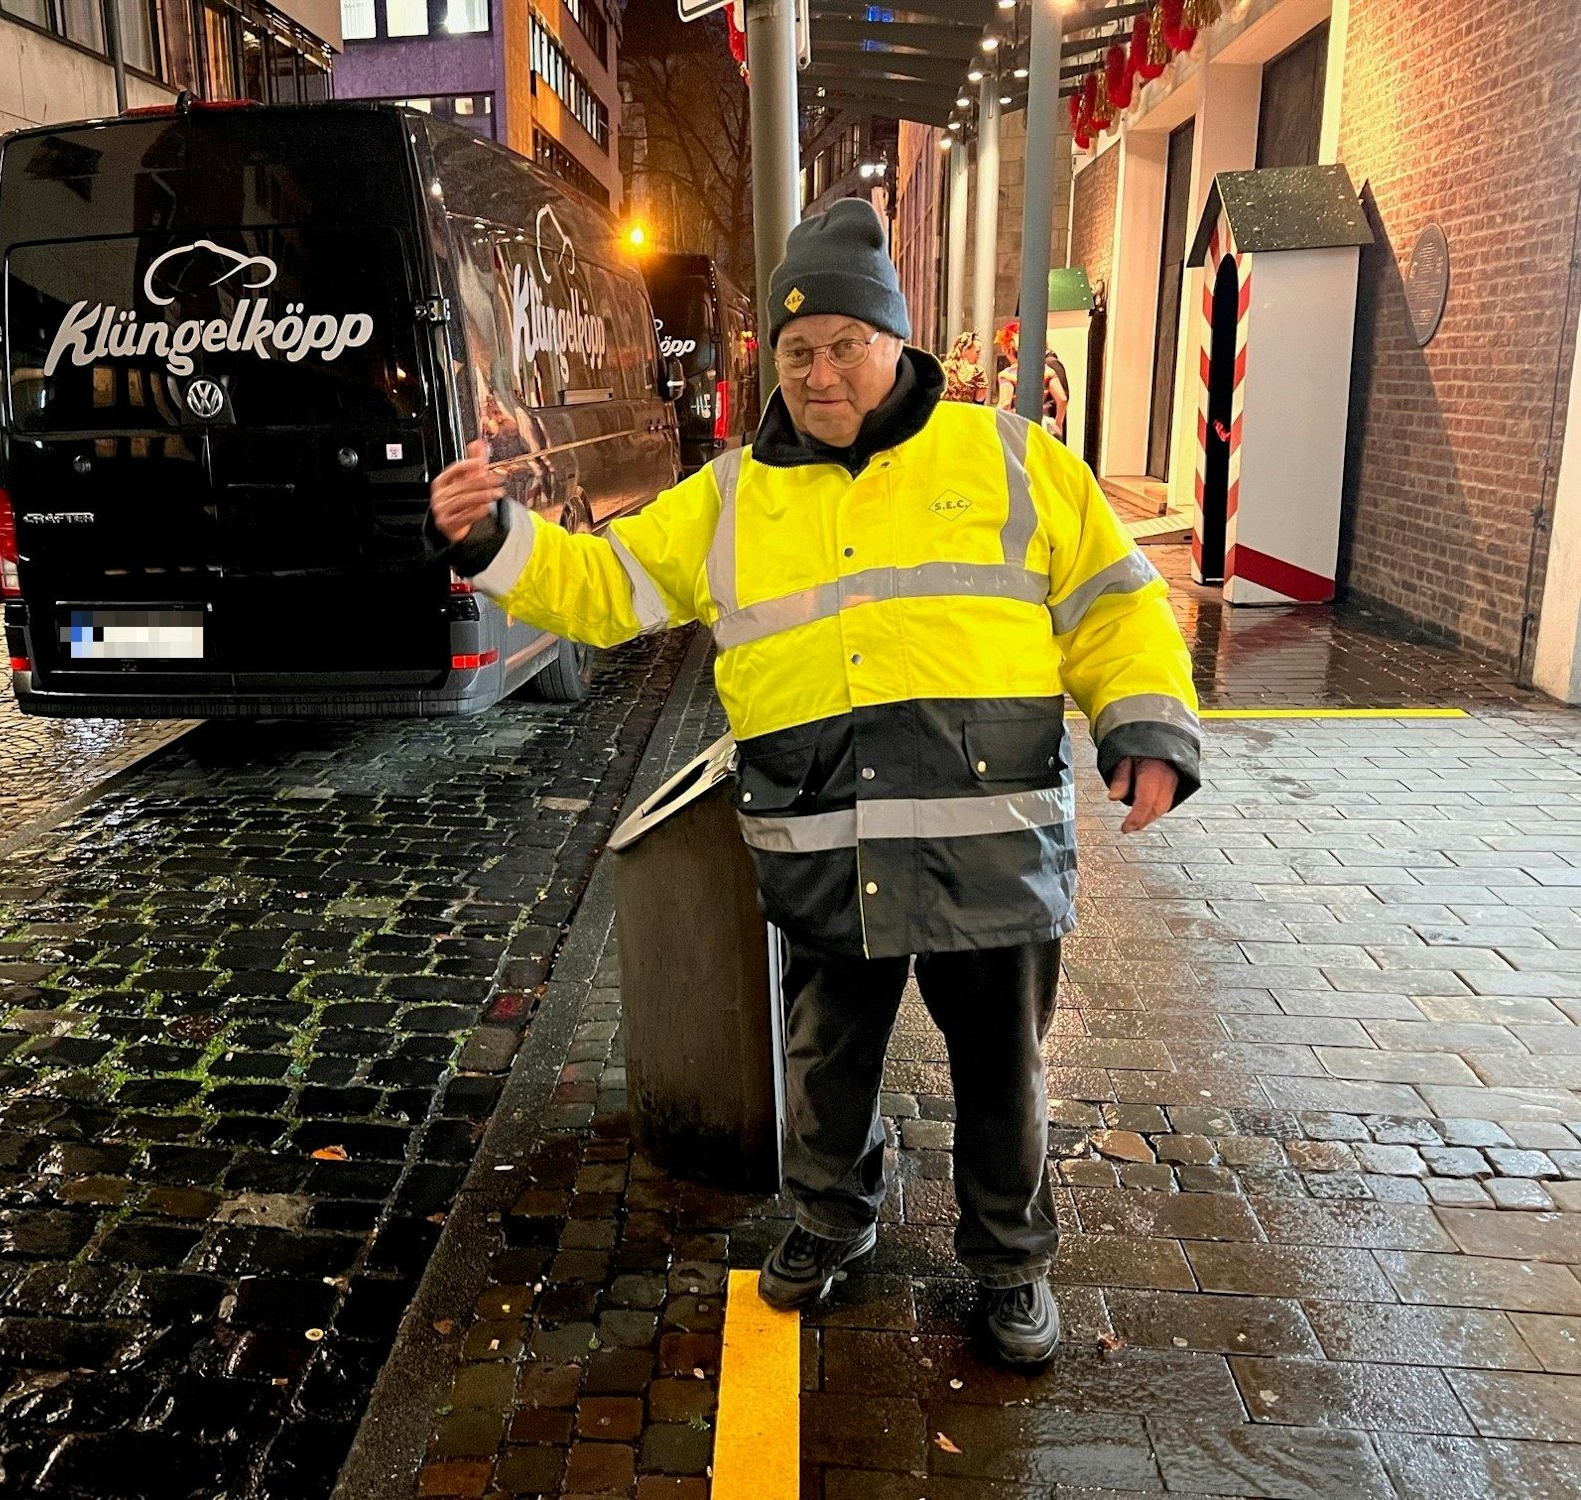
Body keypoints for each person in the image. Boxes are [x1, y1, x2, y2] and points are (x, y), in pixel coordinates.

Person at [428, 199, 1199, 1368]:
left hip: (987, 845)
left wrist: (1142, 725)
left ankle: (1008, 1264)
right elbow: (600, 589)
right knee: (825, 1067)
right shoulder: (733, 495)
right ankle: (829, 1223)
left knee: (1001, 1071)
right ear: (770, 362)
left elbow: (1111, 602)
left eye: (845, 342)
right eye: (797, 351)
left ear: (896, 342)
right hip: (818, 841)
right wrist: (489, 543)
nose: (822, 370)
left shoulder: (1008, 457)